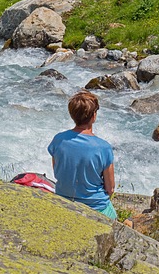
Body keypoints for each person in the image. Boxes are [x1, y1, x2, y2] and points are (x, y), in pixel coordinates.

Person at [47, 90, 117, 220]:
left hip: (64, 201)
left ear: (72, 115)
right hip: (96, 207)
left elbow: (57, 171)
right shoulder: (103, 147)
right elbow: (110, 188)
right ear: (93, 116)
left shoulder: (58, 140)